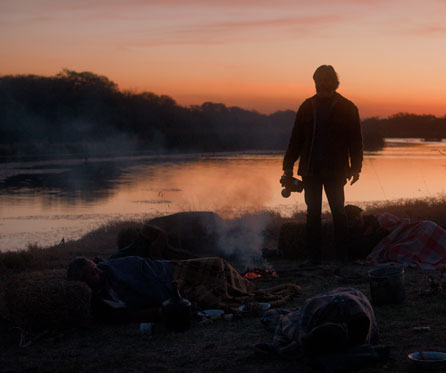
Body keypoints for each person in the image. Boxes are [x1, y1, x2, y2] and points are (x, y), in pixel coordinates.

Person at [282, 65, 364, 266]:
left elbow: (356, 141)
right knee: (313, 214)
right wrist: (288, 165)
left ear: (334, 82)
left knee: (338, 212)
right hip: (310, 170)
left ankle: (342, 257)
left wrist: (356, 168)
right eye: (319, 79)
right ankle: (314, 258)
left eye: (327, 79)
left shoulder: (348, 107)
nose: (323, 82)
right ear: (315, 81)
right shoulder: (307, 106)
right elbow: (296, 139)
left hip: (336, 170)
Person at [67, 256, 300, 322]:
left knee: (217, 265)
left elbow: (140, 266)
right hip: (171, 283)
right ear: (84, 281)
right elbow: (131, 308)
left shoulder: (113, 269)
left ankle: (245, 288)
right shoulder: (104, 299)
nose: (98, 270)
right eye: (92, 272)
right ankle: (241, 295)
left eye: (95, 266)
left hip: (168, 270)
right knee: (212, 290)